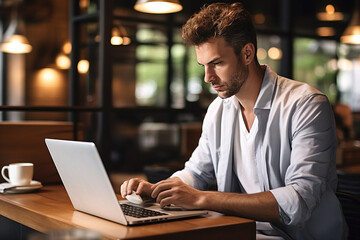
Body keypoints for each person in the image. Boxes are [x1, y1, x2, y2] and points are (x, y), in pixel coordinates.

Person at [121, 3, 347, 239]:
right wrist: (159, 189)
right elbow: (197, 173)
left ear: (247, 53)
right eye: (204, 66)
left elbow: (300, 199)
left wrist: (203, 198)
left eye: (217, 63)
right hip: (241, 231)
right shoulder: (218, 110)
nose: (208, 77)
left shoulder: (307, 104)